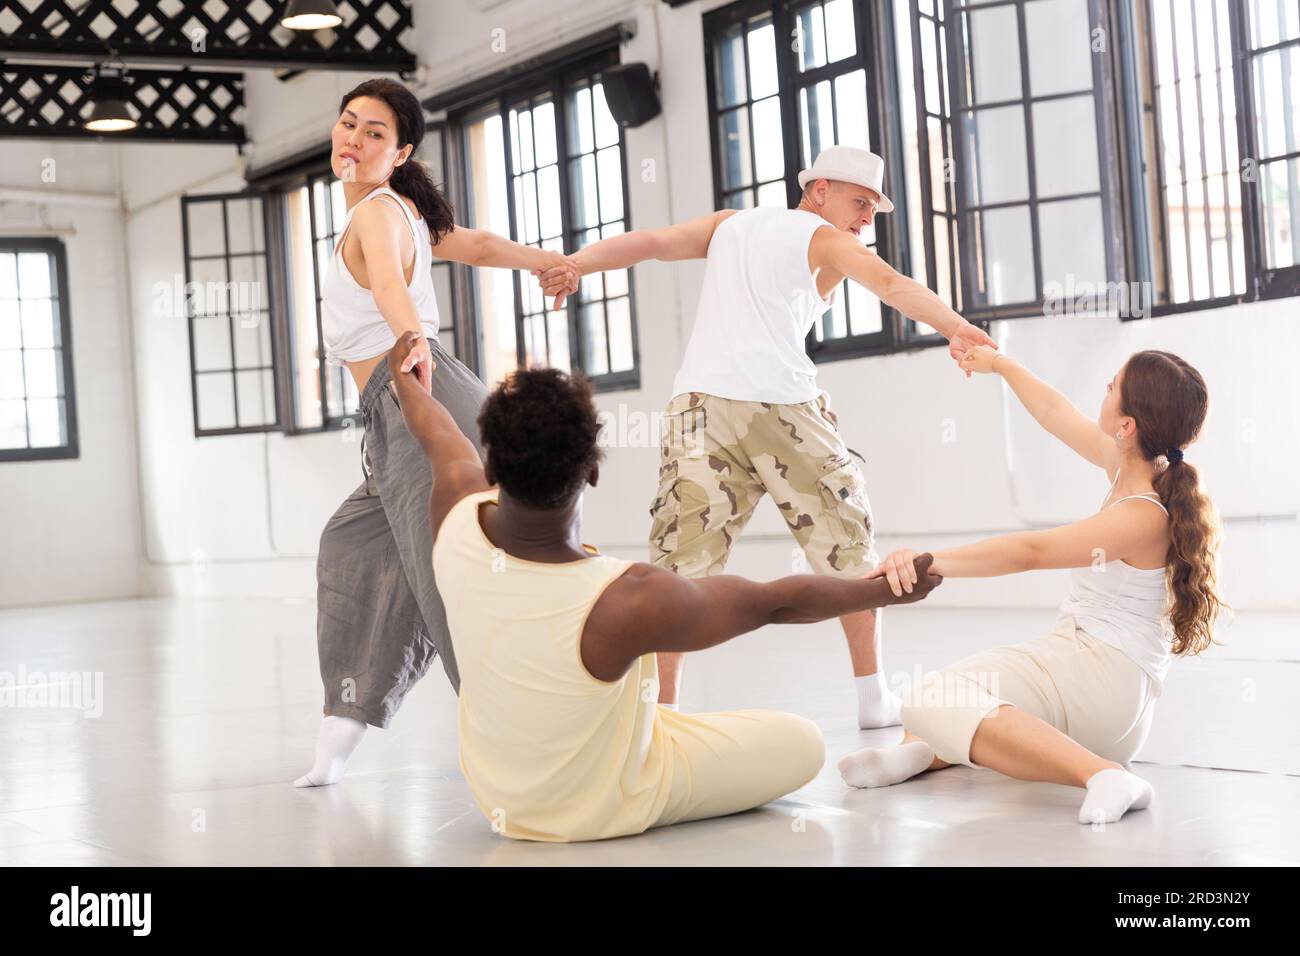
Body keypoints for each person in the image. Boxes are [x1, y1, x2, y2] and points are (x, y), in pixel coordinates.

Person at [383, 330, 943, 841]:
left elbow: (434, 429)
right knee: (803, 741)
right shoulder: (625, 599)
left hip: (499, 795)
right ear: (593, 469)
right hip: (604, 804)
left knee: (656, 720)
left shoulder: (455, 513)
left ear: (493, 466)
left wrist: (405, 376)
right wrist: (886, 589)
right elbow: (776, 603)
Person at [539, 145, 995, 728]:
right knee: (847, 545)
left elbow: (654, 243)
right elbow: (888, 282)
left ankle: (665, 714)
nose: (863, 219)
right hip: (782, 408)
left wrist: (579, 262)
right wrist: (958, 329)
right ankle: (873, 696)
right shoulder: (827, 240)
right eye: (859, 202)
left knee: (680, 562)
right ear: (820, 189)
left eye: (872, 211)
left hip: (699, 408)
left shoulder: (734, 225)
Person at [295, 78, 579, 787]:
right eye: (349, 124)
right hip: (407, 404)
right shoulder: (398, 210)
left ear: (401, 152)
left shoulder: (376, 219)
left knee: (445, 575)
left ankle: (522, 747)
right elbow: (476, 244)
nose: (353, 141)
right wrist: (541, 260)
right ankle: (344, 725)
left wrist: (411, 335)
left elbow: (391, 283)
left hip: (416, 393)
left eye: (375, 134)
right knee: (353, 544)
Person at [838, 347, 1225, 825]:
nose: (1105, 387)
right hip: (1084, 665)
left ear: (1128, 425)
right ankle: (920, 753)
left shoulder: (1143, 515)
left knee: (925, 698)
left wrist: (928, 563)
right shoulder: (1131, 469)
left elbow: (1029, 552)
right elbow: (1054, 412)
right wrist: (999, 363)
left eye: (1113, 385)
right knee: (947, 697)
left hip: (1106, 684)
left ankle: (1102, 774)